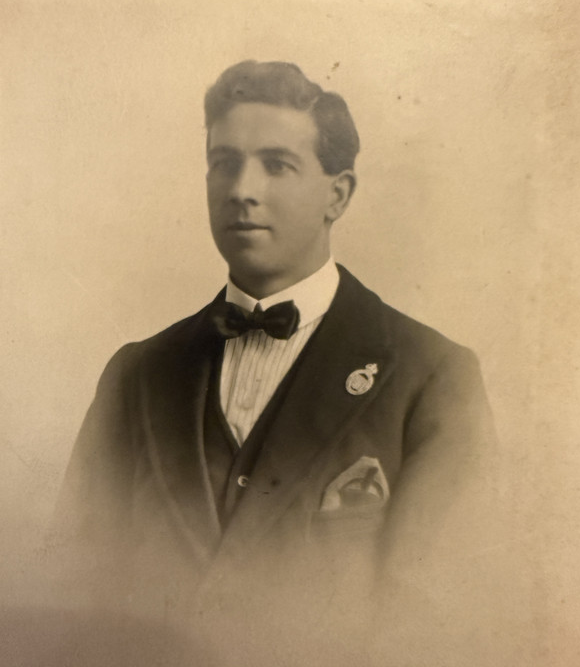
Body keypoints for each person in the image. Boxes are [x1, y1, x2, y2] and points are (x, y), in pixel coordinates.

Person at [54, 61, 496, 662]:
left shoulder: (431, 376)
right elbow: (67, 595)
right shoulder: (136, 375)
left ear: (337, 194)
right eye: (224, 163)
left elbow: (433, 627)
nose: (242, 188)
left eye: (276, 165)